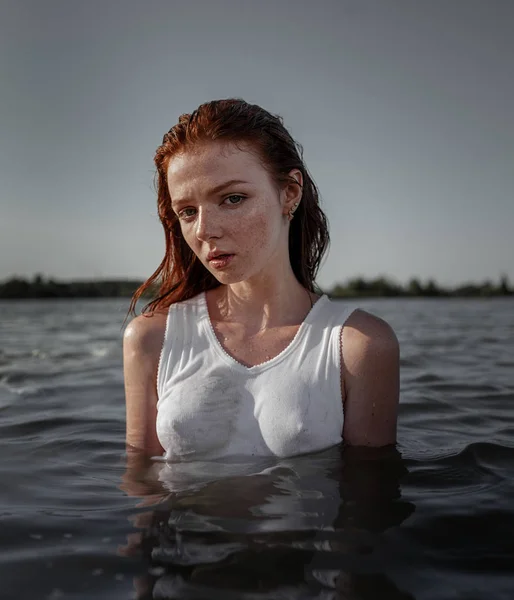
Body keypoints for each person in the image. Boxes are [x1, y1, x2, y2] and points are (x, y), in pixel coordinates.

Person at [123, 98, 399, 461]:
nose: (205, 230)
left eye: (233, 198)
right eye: (188, 212)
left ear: (290, 192)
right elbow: (142, 489)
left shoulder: (359, 346)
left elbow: (368, 502)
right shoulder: (152, 339)